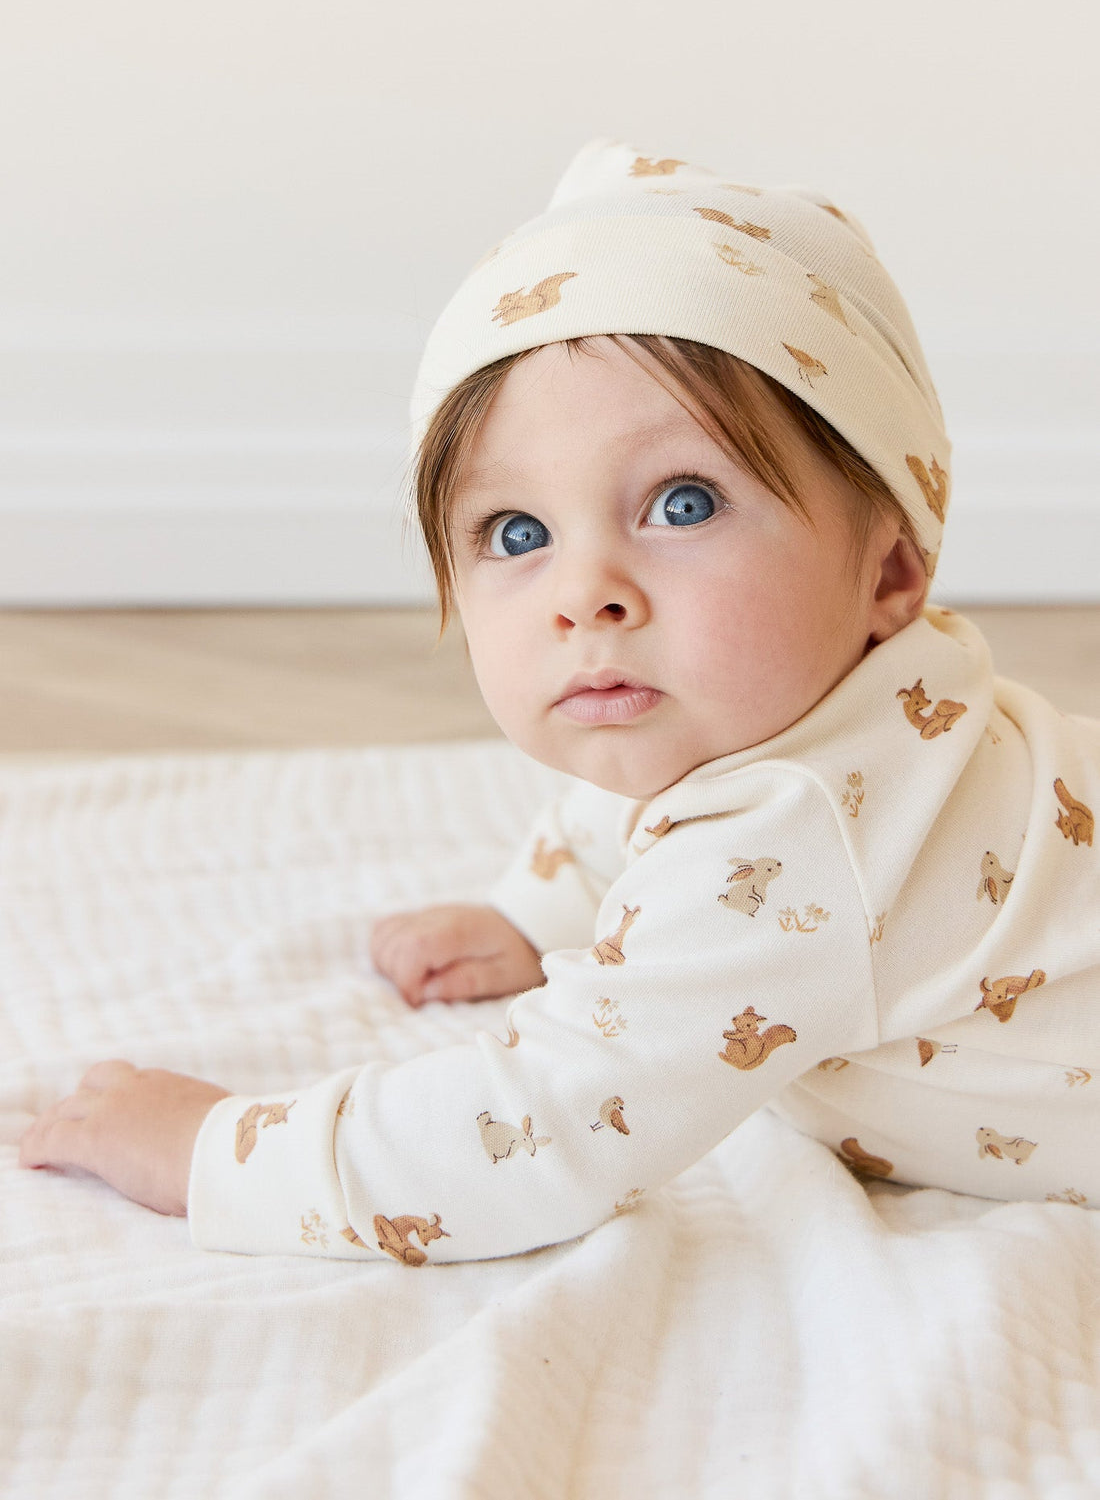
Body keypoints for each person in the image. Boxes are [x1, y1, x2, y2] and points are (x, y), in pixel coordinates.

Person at [20, 138, 1100, 1264]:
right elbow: (643, 794)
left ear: (888, 569)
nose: (586, 593)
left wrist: (210, 1150)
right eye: (518, 531)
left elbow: (531, 1133)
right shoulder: (818, 720)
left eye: (683, 504)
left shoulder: (803, 843)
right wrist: (538, 913)